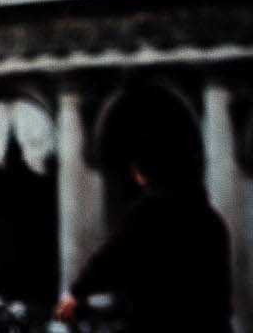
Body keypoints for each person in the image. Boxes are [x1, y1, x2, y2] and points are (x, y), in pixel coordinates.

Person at [55, 138, 232, 332]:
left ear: (144, 173)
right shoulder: (212, 219)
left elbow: (111, 258)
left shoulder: (149, 213)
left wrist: (76, 292)